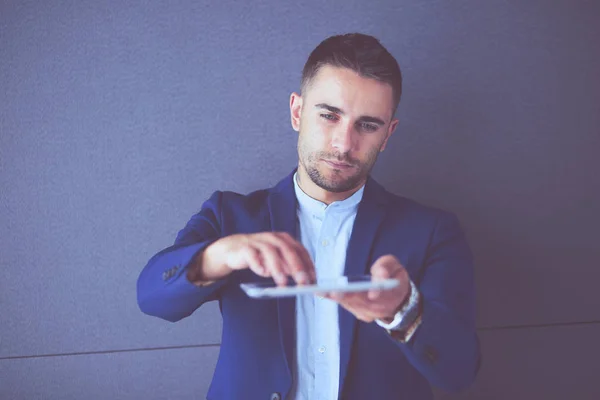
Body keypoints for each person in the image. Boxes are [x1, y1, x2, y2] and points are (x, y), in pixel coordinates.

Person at [137, 32, 480, 400]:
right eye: (329, 116)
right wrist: (220, 254)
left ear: (388, 134)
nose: (343, 144)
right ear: (297, 112)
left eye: (367, 125)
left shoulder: (431, 231)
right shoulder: (229, 215)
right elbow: (152, 297)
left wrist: (404, 313)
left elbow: (458, 372)